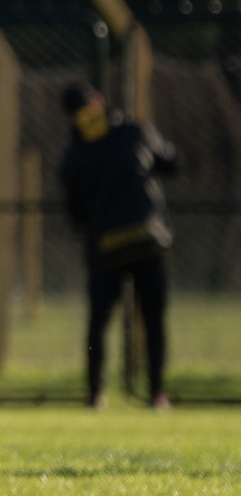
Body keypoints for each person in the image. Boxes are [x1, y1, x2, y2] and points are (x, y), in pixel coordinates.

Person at [58, 83, 179, 411]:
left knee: (98, 321)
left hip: (105, 245)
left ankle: (95, 394)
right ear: (98, 101)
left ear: (68, 117)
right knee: (153, 319)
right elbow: (171, 163)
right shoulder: (134, 131)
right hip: (148, 238)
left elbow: (74, 209)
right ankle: (157, 394)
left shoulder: (75, 152)